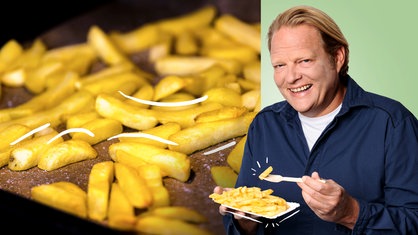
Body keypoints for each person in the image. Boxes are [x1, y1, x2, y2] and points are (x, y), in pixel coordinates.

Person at [213, 5, 418, 235]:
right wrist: (245, 223)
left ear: (338, 58)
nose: (291, 77)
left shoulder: (392, 123)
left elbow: (414, 221)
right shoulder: (265, 125)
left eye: (304, 61)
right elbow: (247, 223)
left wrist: (351, 213)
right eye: (280, 65)